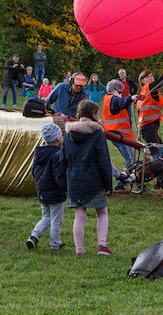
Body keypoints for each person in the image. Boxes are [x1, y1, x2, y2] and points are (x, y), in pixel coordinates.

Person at [63, 100, 114, 257]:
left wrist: (65, 181)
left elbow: (62, 159)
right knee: (102, 211)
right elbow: (104, 161)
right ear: (93, 114)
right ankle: (102, 246)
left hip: (74, 180)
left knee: (80, 213)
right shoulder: (97, 134)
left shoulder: (68, 134)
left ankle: (80, 249)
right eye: (97, 113)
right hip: (94, 180)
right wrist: (108, 184)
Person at [26, 122, 66, 251]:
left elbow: (33, 171)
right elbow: (59, 176)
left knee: (46, 218)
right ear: (58, 137)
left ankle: (34, 236)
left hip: (42, 190)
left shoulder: (39, 154)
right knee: (56, 221)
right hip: (55, 193)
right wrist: (66, 187)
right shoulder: (57, 155)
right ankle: (55, 244)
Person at [135, 69, 163, 191]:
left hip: (150, 128)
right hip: (148, 128)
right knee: (158, 155)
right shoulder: (149, 87)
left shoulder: (145, 91)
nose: (151, 78)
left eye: (151, 76)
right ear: (142, 80)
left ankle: (158, 181)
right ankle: (162, 183)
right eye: (147, 76)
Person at [100, 79, 138, 169]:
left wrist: (130, 101)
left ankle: (128, 180)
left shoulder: (107, 99)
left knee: (131, 160)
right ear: (112, 90)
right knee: (131, 160)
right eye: (119, 92)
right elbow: (120, 102)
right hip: (118, 134)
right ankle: (122, 180)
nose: (121, 95)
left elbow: (120, 105)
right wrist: (132, 98)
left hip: (114, 134)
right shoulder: (113, 99)